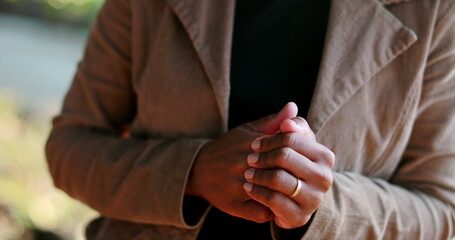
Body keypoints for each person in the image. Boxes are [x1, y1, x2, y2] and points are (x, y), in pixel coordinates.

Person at [45, 0, 455, 239]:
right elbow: (70, 149)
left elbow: (440, 209)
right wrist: (191, 172)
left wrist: (326, 206)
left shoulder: (437, 11)